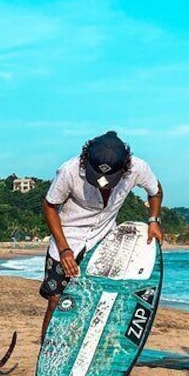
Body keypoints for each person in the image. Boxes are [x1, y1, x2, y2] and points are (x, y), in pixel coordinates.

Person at [40, 131, 163, 336]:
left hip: (104, 240)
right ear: (86, 160)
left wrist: (153, 221)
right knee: (56, 301)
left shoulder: (137, 168)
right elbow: (50, 205)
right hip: (67, 238)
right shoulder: (69, 171)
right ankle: (48, 352)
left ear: (125, 167)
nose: (103, 182)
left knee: (97, 299)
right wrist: (64, 250)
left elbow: (155, 190)